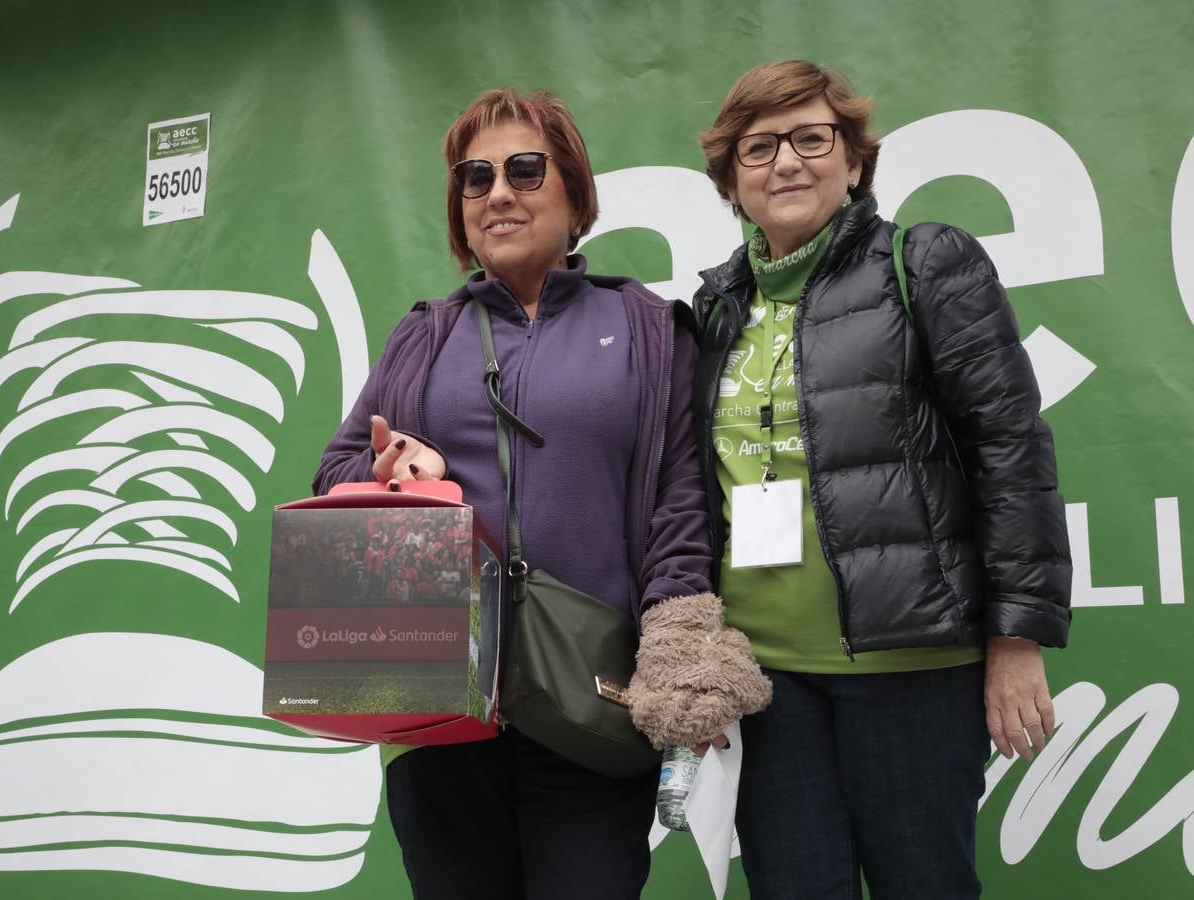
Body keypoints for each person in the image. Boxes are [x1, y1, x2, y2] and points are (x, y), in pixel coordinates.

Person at [313, 87, 766, 900]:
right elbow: (338, 469)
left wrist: (679, 655)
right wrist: (390, 471)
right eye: (473, 177)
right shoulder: (425, 334)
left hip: (590, 706)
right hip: (438, 707)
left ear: (575, 192)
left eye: (525, 168)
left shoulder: (648, 328)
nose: (497, 192)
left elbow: (681, 507)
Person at [691, 60, 1072, 899]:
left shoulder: (925, 262)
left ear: (854, 160)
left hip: (912, 672)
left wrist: (1015, 641)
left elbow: (1011, 453)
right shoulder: (715, 309)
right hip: (766, 684)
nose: (786, 161)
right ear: (730, 181)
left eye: (811, 138)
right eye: (758, 148)